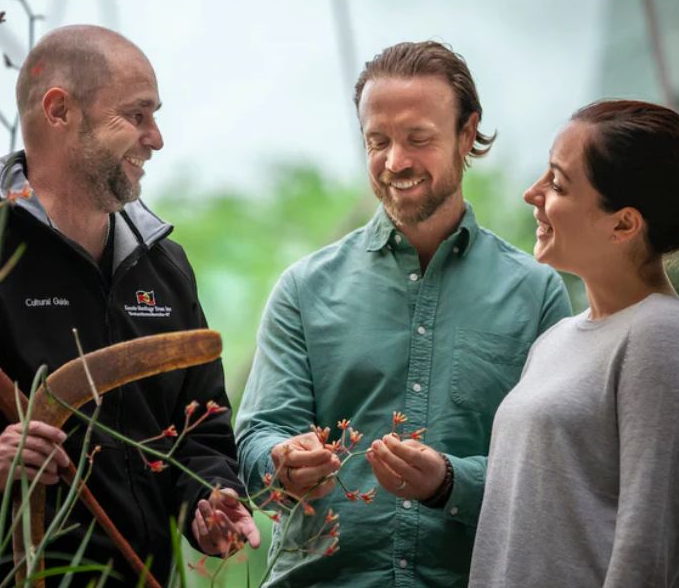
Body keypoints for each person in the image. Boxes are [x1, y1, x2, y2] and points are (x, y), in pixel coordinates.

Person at [0, 25, 259, 587]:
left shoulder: (164, 265)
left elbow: (198, 431)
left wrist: (209, 499)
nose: (155, 137)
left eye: (154, 115)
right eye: (135, 115)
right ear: (59, 110)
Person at [234, 40, 571, 587]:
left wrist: (449, 482)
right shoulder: (302, 289)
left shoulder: (536, 295)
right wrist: (281, 459)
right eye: (377, 141)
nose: (395, 162)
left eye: (418, 139)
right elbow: (255, 440)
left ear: (467, 134)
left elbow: (555, 476)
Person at [469, 100, 679, 586]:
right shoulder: (555, 341)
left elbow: (647, 548)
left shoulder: (662, 335)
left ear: (624, 224)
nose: (531, 193)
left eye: (558, 184)